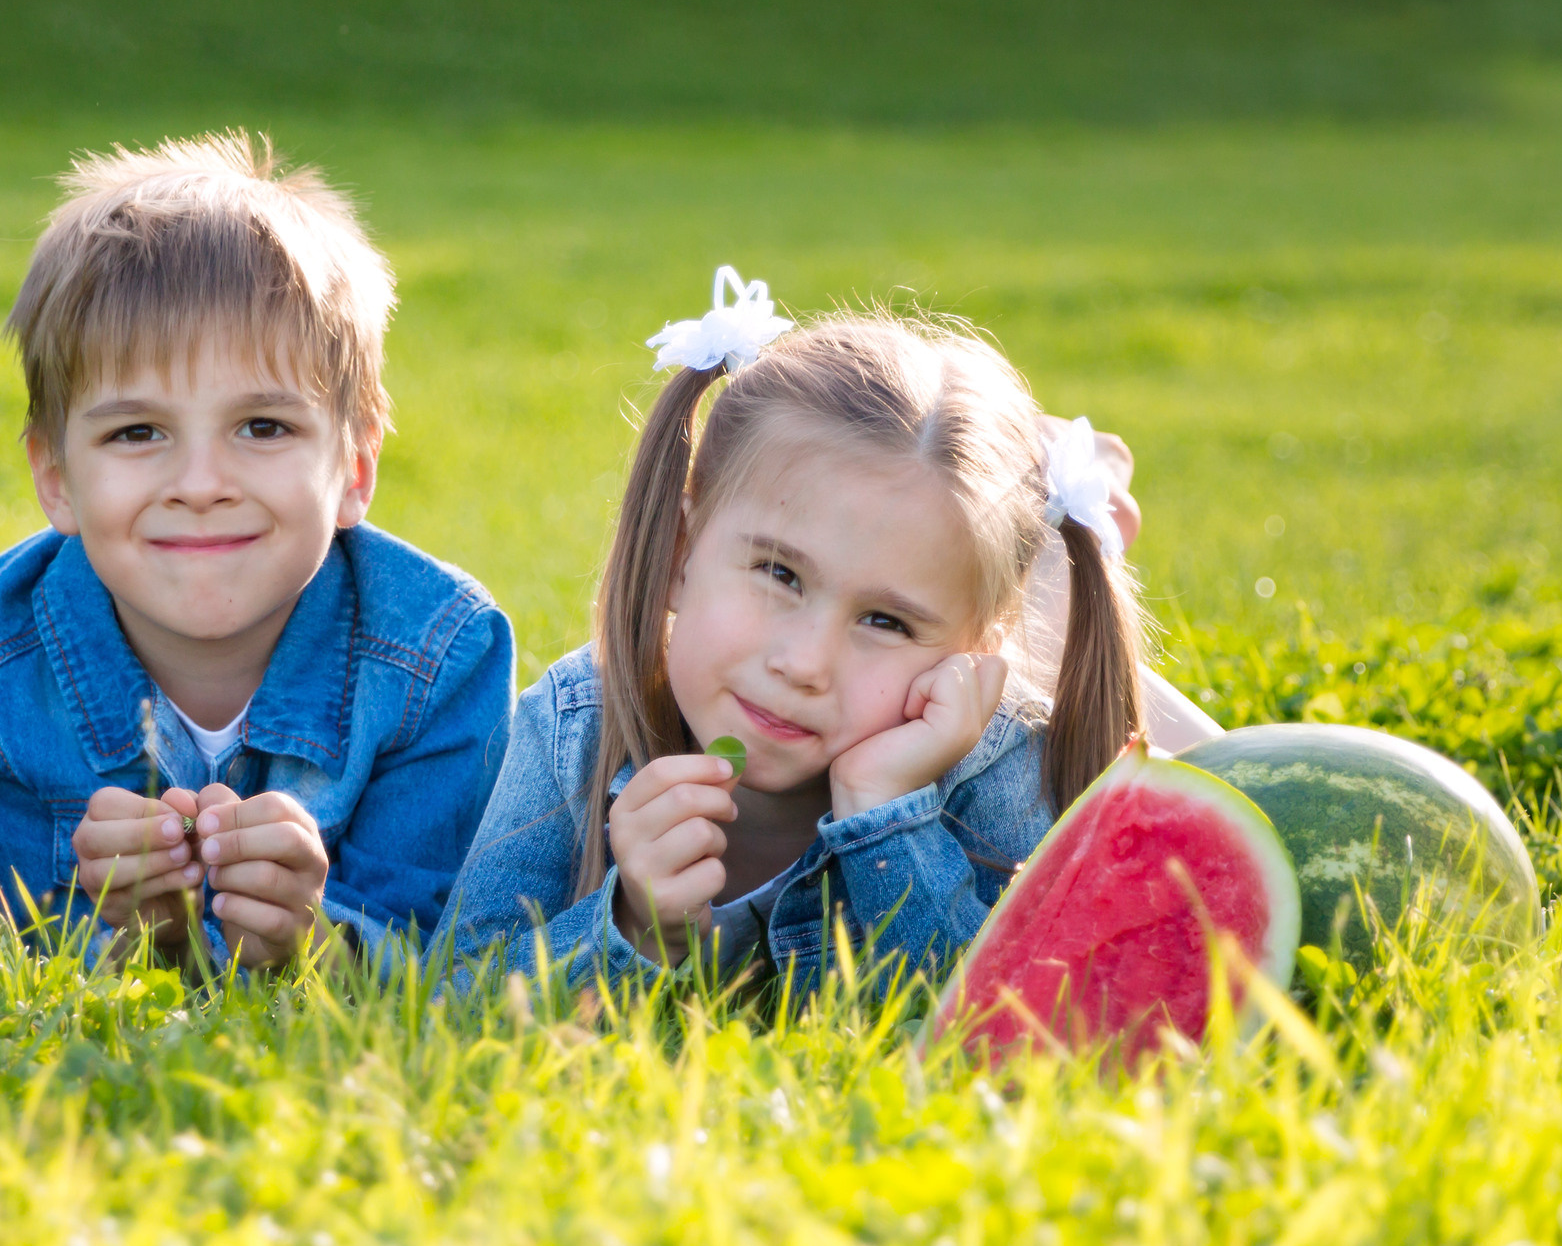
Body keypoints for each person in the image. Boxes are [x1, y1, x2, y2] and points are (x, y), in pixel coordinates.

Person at [438, 267, 1177, 1010]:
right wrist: (633, 929)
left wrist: (884, 817)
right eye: (780, 573)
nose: (803, 664)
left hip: (1013, 664)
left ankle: (1075, 521)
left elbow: (1006, 1024)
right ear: (678, 552)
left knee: (1150, 712)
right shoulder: (574, 723)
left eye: (885, 622)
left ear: (971, 658)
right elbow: (452, 1002)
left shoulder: (1000, 760)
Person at [0, 133, 513, 969]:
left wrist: (315, 941)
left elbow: (456, 953)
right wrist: (118, 941)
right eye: (137, 431)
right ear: (57, 479)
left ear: (355, 469)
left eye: (263, 426)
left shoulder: (440, 661)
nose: (200, 482)